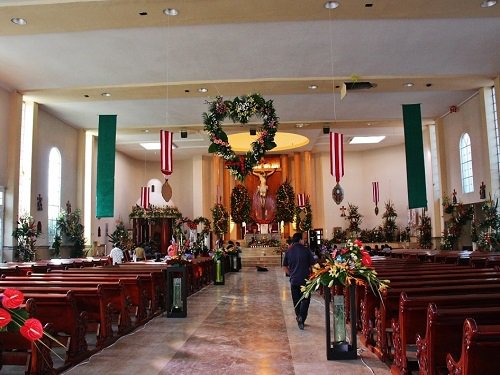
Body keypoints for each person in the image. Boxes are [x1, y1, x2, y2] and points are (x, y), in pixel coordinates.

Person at [282, 232, 315, 330]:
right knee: (305, 300)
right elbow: (313, 265)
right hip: (305, 280)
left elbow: (284, 266)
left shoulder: (289, 251)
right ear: (300, 239)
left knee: (296, 300)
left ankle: (299, 317)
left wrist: (291, 274)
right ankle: (302, 318)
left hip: (294, 280)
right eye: (303, 239)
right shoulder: (306, 250)